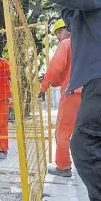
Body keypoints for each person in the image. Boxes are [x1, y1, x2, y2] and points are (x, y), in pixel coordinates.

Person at [13, 0, 101, 201]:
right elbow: (69, 4)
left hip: (99, 82)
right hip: (92, 84)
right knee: (98, 145)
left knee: (83, 143)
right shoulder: (87, 9)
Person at [39, 19, 81, 178]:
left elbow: (56, 68)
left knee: (62, 132)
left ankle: (63, 166)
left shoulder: (65, 44)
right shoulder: (85, 43)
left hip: (71, 94)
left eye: (59, 32)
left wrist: (43, 86)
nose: (58, 37)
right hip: (91, 92)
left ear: (68, 29)